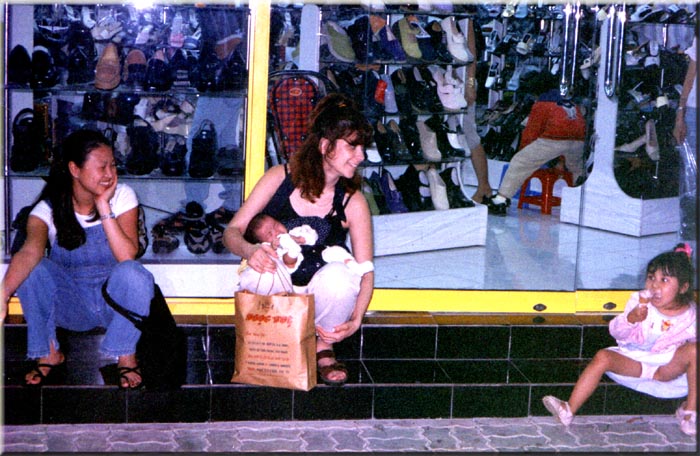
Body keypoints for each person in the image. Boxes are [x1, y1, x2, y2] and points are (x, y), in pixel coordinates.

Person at [224, 93, 375, 386]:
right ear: (324, 146)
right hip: (279, 286)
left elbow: (366, 270)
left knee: (343, 277)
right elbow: (231, 232)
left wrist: (356, 320)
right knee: (260, 268)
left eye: (362, 148)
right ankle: (275, 342)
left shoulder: (353, 201)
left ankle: (322, 345)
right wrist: (250, 249)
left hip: (317, 294)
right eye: (352, 146)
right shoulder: (279, 178)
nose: (361, 156)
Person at [0, 129, 155, 389]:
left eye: (113, 166)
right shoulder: (46, 209)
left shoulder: (124, 196)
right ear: (75, 169)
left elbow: (127, 255)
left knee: (134, 273)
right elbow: (29, 252)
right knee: (33, 269)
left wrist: (104, 206)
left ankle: (126, 356)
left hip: (114, 305)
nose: (110, 174)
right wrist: (3, 294)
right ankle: (48, 351)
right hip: (73, 307)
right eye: (101, 167)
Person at [542, 243, 697, 436]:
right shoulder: (638, 302)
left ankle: (690, 411)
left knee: (695, 350)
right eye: (651, 278)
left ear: (683, 287)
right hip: (635, 361)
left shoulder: (690, 316)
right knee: (603, 357)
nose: (654, 286)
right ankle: (568, 409)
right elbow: (616, 332)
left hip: (667, 367)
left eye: (664, 280)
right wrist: (631, 319)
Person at [483, 81, 587, 215]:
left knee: (519, 162)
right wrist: (561, 160)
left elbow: (531, 133)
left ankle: (500, 200)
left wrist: (522, 151)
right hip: (578, 141)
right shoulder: (569, 102)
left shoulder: (542, 103)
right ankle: (579, 204)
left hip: (554, 139)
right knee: (576, 170)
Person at [242, 213, 374, 283]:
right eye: (269, 234)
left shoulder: (294, 231)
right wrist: (272, 246)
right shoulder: (273, 248)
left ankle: (354, 266)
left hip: (318, 258)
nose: (276, 232)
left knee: (335, 251)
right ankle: (293, 252)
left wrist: (298, 239)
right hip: (296, 272)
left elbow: (313, 236)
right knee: (288, 259)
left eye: (276, 225)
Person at [463, 17, 496, 204]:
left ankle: (484, 186)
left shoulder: (464, 17)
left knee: (470, 133)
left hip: (460, 82)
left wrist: (469, 83)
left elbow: (471, 51)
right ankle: (484, 186)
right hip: (445, 79)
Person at [672, 35, 696, 242]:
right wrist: (680, 113)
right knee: (691, 177)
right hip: (695, 112)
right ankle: (688, 236)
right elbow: (690, 76)